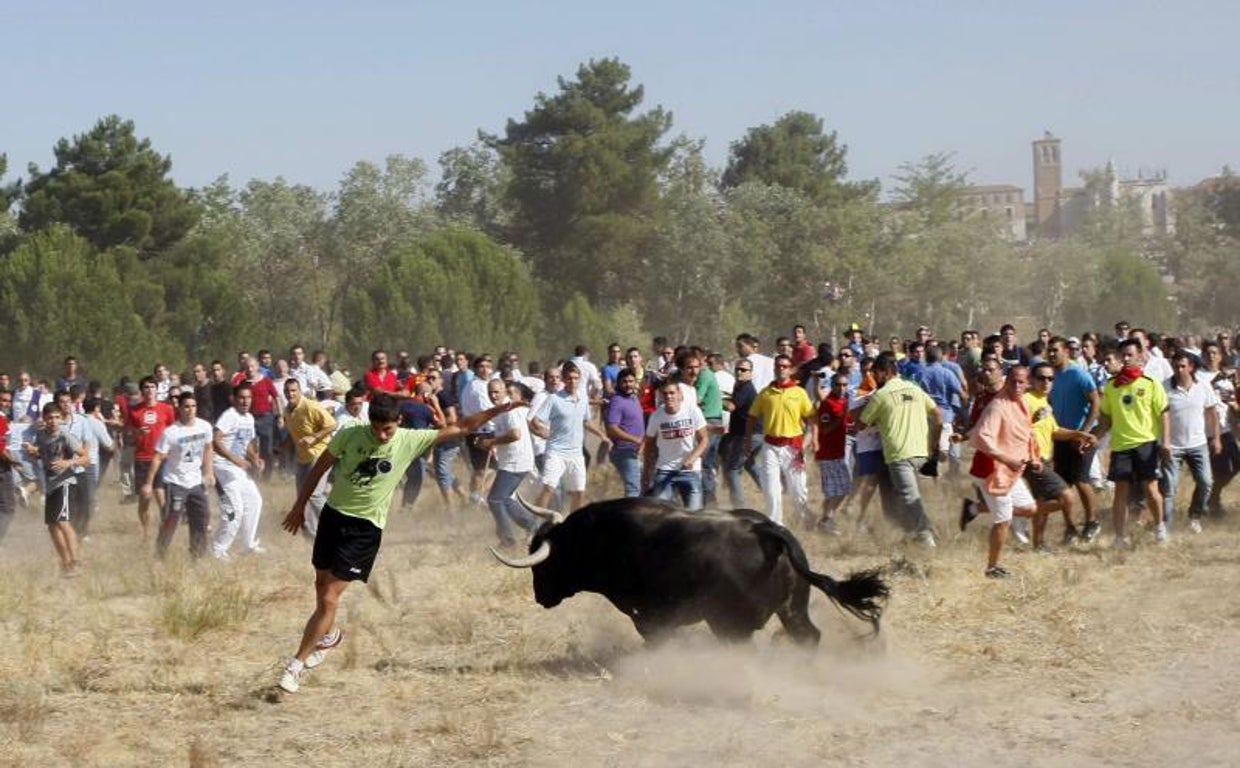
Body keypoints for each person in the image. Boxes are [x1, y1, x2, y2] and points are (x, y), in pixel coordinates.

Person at [276, 393, 515, 694]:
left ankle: (295, 666)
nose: (381, 435)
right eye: (376, 428)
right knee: (321, 585)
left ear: (398, 422)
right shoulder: (350, 434)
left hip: (366, 528)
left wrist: (498, 409)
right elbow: (320, 467)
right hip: (334, 517)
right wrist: (299, 507)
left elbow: (464, 426)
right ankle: (330, 634)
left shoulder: (409, 439)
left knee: (329, 597)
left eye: (387, 429)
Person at [962, 366, 1041, 577]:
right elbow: (981, 438)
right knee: (1003, 519)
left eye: (1021, 382)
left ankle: (973, 509)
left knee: (1030, 508)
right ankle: (992, 567)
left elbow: (1027, 433)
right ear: (1007, 382)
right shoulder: (997, 406)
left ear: (1028, 383)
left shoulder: (1023, 402)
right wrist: (1006, 459)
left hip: (1011, 473)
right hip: (992, 471)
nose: (1017, 386)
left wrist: (1034, 457)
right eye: (1013, 381)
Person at [857, 353, 940, 546]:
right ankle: (924, 531)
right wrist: (933, 442)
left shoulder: (881, 395)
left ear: (885, 373)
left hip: (898, 455)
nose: (874, 378)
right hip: (921, 452)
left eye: (876, 374)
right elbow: (937, 414)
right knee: (908, 496)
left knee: (909, 497)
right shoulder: (915, 389)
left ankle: (926, 539)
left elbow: (861, 424)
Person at [1093, 338, 1169, 547]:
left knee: (1151, 490)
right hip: (1120, 446)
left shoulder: (1150, 383)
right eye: (1123, 355)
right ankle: (1120, 537)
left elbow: (1163, 413)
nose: (1126, 359)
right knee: (1121, 492)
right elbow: (1106, 418)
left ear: (1139, 356)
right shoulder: (1111, 386)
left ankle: (1160, 527)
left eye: (1130, 355)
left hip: (1146, 444)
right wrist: (1094, 438)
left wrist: (1166, 442)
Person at [529, 362, 611, 513]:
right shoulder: (554, 399)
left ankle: (573, 526)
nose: (572, 381)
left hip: (576, 454)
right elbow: (534, 420)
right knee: (548, 488)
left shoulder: (583, 399)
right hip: (556, 452)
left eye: (575, 378)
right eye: (569, 378)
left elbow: (586, 421)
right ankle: (533, 523)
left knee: (579, 492)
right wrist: (541, 432)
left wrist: (602, 435)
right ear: (564, 380)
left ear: (579, 380)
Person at [744, 354, 815, 526]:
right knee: (771, 490)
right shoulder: (766, 393)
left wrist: (806, 444)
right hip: (770, 446)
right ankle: (776, 526)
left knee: (798, 490)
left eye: (784, 366)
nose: (781, 369)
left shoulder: (799, 393)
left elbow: (812, 420)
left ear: (790, 370)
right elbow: (752, 417)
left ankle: (806, 521)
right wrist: (747, 441)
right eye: (778, 366)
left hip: (793, 447)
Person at [143, 392, 214, 559]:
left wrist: (209, 471)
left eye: (193, 406)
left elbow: (208, 448)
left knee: (202, 518)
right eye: (186, 407)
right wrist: (148, 483)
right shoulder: (171, 432)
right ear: (180, 409)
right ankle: (160, 553)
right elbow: (158, 457)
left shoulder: (204, 427)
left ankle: (197, 556)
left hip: (196, 482)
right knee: (172, 519)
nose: (190, 410)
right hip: (175, 482)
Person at [1045, 336, 1102, 542]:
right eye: (1049, 351)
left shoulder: (1079, 374)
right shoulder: (1051, 377)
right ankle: (1070, 528)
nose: (1051, 354)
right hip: (1061, 435)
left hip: (1082, 436)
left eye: (1055, 350)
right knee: (1062, 485)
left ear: (1066, 352)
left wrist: (1084, 433)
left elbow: (1096, 403)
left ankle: (1092, 522)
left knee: (1080, 479)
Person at [1160, 351, 1219, 534]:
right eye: (1176, 366)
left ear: (1191, 367)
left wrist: (1216, 438)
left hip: (1198, 444)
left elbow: (1212, 413)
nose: (1179, 369)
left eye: (1183, 366)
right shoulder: (1164, 387)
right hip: (1173, 446)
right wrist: (1165, 442)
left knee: (1206, 482)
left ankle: (1194, 516)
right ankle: (1165, 528)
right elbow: (1162, 415)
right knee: (1169, 488)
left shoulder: (1203, 386)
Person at [26, 403, 88, 577]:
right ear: (44, 419)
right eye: (50, 418)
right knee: (52, 526)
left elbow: (85, 458)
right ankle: (66, 563)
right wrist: (33, 452)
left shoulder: (65, 435)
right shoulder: (41, 436)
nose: (53, 421)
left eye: (56, 417)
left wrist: (68, 462)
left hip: (66, 482)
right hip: (50, 484)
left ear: (61, 418)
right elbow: (42, 453)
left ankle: (76, 562)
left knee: (62, 521)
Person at [478, 380, 539, 548]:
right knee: (504, 499)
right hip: (513, 461)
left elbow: (515, 434)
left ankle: (508, 539)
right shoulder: (502, 410)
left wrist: (493, 441)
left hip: (517, 461)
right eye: (490, 392)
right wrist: (491, 442)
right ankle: (532, 525)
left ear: (505, 392)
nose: (493, 395)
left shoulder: (509, 410)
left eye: (497, 392)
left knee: (495, 500)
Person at [212, 383, 266, 559]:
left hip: (238, 469)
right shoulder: (229, 416)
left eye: (248, 397)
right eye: (241, 397)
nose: (245, 401)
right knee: (235, 510)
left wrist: (255, 458)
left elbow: (247, 444)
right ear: (234, 399)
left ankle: (247, 544)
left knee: (255, 501)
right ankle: (218, 551)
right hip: (222, 468)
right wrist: (233, 458)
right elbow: (216, 440)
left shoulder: (249, 418)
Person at [643, 379, 708, 510]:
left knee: (694, 516)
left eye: (672, 393)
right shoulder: (657, 416)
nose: (669, 397)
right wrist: (647, 470)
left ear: (680, 394)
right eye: (665, 394)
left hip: (690, 470)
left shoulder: (692, 411)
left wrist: (693, 458)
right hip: (665, 469)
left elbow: (704, 439)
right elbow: (649, 443)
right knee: (660, 513)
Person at [283, 379, 337, 537]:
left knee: (314, 494)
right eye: (287, 391)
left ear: (300, 391)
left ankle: (337, 524)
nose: (290, 394)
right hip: (302, 458)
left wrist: (314, 437)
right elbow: (292, 433)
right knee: (302, 497)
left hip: (320, 455)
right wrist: (281, 447)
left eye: (293, 390)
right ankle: (312, 535)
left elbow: (332, 424)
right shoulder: (287, 410)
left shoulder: (311, 406)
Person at [127, 376, 176, 538]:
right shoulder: (135, 410)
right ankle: (146, 531)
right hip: (142, 458)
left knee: (161, 497)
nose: (150, 390)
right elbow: (128, 431)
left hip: (162, 458)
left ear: (157, 389)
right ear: (142, 391)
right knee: (145, 497)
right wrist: (137, 432)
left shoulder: (166, 409)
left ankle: (165, 534)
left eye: (152, 387)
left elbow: (173, 431)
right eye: (146, 387)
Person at [814, 372, 852, 534]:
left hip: (839, 452)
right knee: (838, 489)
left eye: (844, 385)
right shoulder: (827, 404)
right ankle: (827, 519)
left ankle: (826, 519)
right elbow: (825, 429)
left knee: (840, 489)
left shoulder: (845, 401)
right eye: (838, 385)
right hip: (828, 454)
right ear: (832, 385)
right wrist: (841, 417)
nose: (842, 388)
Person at [604, 368, 645, 497]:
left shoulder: (634, 398)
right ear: (618, 383)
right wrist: (635, 440)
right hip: (624, 451)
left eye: (631, 381)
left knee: (641, 486)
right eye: (625, 382)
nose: (628, 385)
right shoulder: (617, 401)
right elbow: (612, 428)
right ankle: (629, 516)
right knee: (633, 489)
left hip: (636, 450)